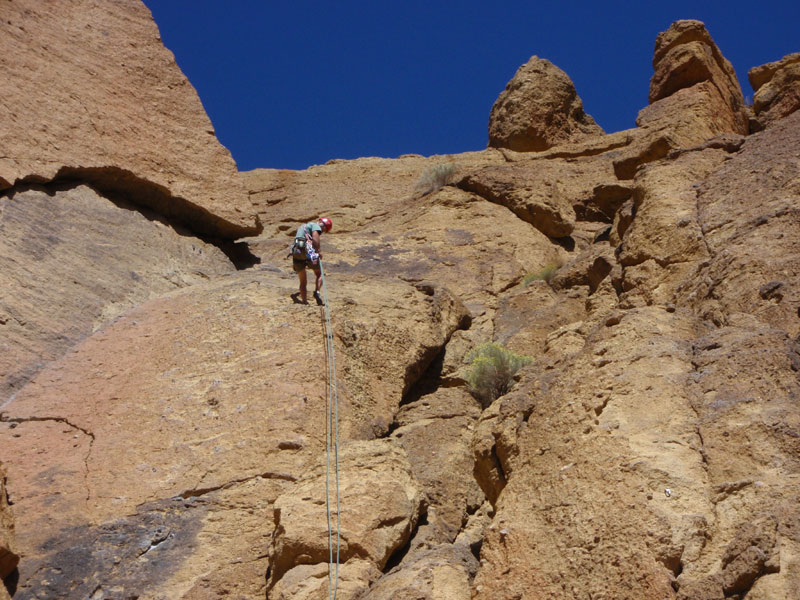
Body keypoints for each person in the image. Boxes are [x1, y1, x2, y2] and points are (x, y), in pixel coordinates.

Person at [290, 217, 332, 305]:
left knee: (303, 281)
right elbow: (315, 239)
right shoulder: (315, 225)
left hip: (297, 252)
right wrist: (318, 251)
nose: (323, 231)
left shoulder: (302, 227)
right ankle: (317, 292)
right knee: (320, 274)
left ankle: (304, 302)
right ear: (321, 223)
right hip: (309, 251)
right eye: (324, 228)